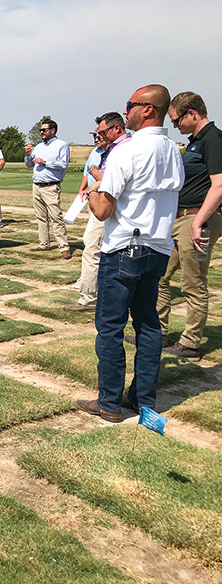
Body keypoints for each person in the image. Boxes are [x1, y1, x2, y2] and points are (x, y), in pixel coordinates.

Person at [77, 85, 184, 422]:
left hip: (124, 246)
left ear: (148, 109)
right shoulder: (174, 151)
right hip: (158, 247)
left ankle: (108, 402)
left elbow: (103, 210)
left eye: (130, 105)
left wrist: (94, 190)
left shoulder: (128, 150)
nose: (127, 112)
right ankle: (143, 399)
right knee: (149, 324)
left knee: (110, 326)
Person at [156, 92, 222, 360]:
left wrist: (197, 223)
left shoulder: (214, 140)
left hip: (198, 219)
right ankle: (157, 332)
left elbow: (219, 185)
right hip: (180, 217)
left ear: (192, 113)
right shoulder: (195, 142)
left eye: (176, 120)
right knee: (159, 275)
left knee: (192, 283)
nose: (175, 126)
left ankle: (191, 343)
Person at [65, 113, 131, 312]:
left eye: (102, 132)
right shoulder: (110, 149)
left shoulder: (121, 150)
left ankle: (89, 297)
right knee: (91, 244)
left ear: (117, 128)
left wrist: (95, 178)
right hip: (102, 204)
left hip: (107, 206)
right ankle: (88, 287)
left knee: (93, 249)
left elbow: (111, 181)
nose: (99, 136)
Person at [24, 119, 72, 259]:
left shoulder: (61, 145)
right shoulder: (38, 147)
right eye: (41, 130)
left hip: (51, 186)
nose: (41, 132)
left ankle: (64, 247)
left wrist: (45, 162)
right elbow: (28, 165)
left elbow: (63, 164)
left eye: (44, 130)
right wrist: (28, 155)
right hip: (37, 185)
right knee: (40, 217)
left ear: (53, 130)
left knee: (56, 217)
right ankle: (43, 243)